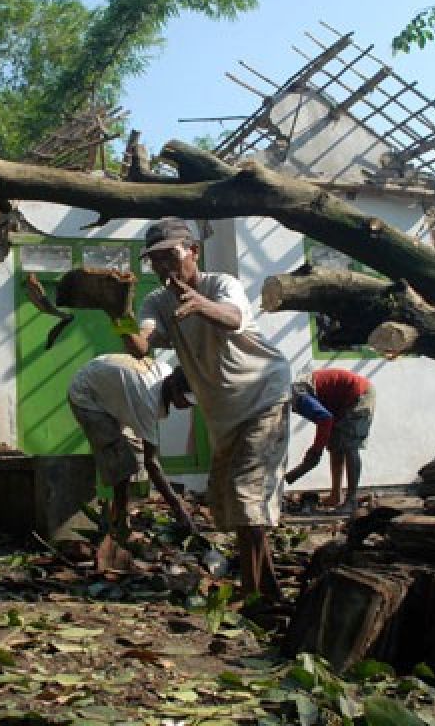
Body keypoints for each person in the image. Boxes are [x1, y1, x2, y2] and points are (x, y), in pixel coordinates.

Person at [124, 217, 292, 602]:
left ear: (193, 252)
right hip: (225, 415)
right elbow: (141, 343)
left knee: (246, 496)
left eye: (171, 256)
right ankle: (268, 590)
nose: (164, 268)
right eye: (156, 261)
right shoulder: (157, 302)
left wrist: (201, 304)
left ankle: (254, 599)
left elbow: (233, 318)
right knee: (228, 505)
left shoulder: (221, 285)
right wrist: (116, 313)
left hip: (263, 396)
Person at [68, 353, 198, 542]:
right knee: (121, 463)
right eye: (185, 399)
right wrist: (178, 507)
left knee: (135, 454)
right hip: (86, 396)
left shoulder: (167, 372)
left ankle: (121, 511)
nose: (187, 405)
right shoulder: (147, 402)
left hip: (110, 391)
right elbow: (152, 463)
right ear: (172, 387)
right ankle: (120, 525)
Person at [283, 368, 376, 514]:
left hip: (359, 395)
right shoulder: (293, 394)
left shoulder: (299, 397)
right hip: (340, 404)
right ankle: (336, 496)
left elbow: (325, 419)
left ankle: (351, 501)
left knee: (350, 447)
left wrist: (315, 452)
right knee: (335, 446)